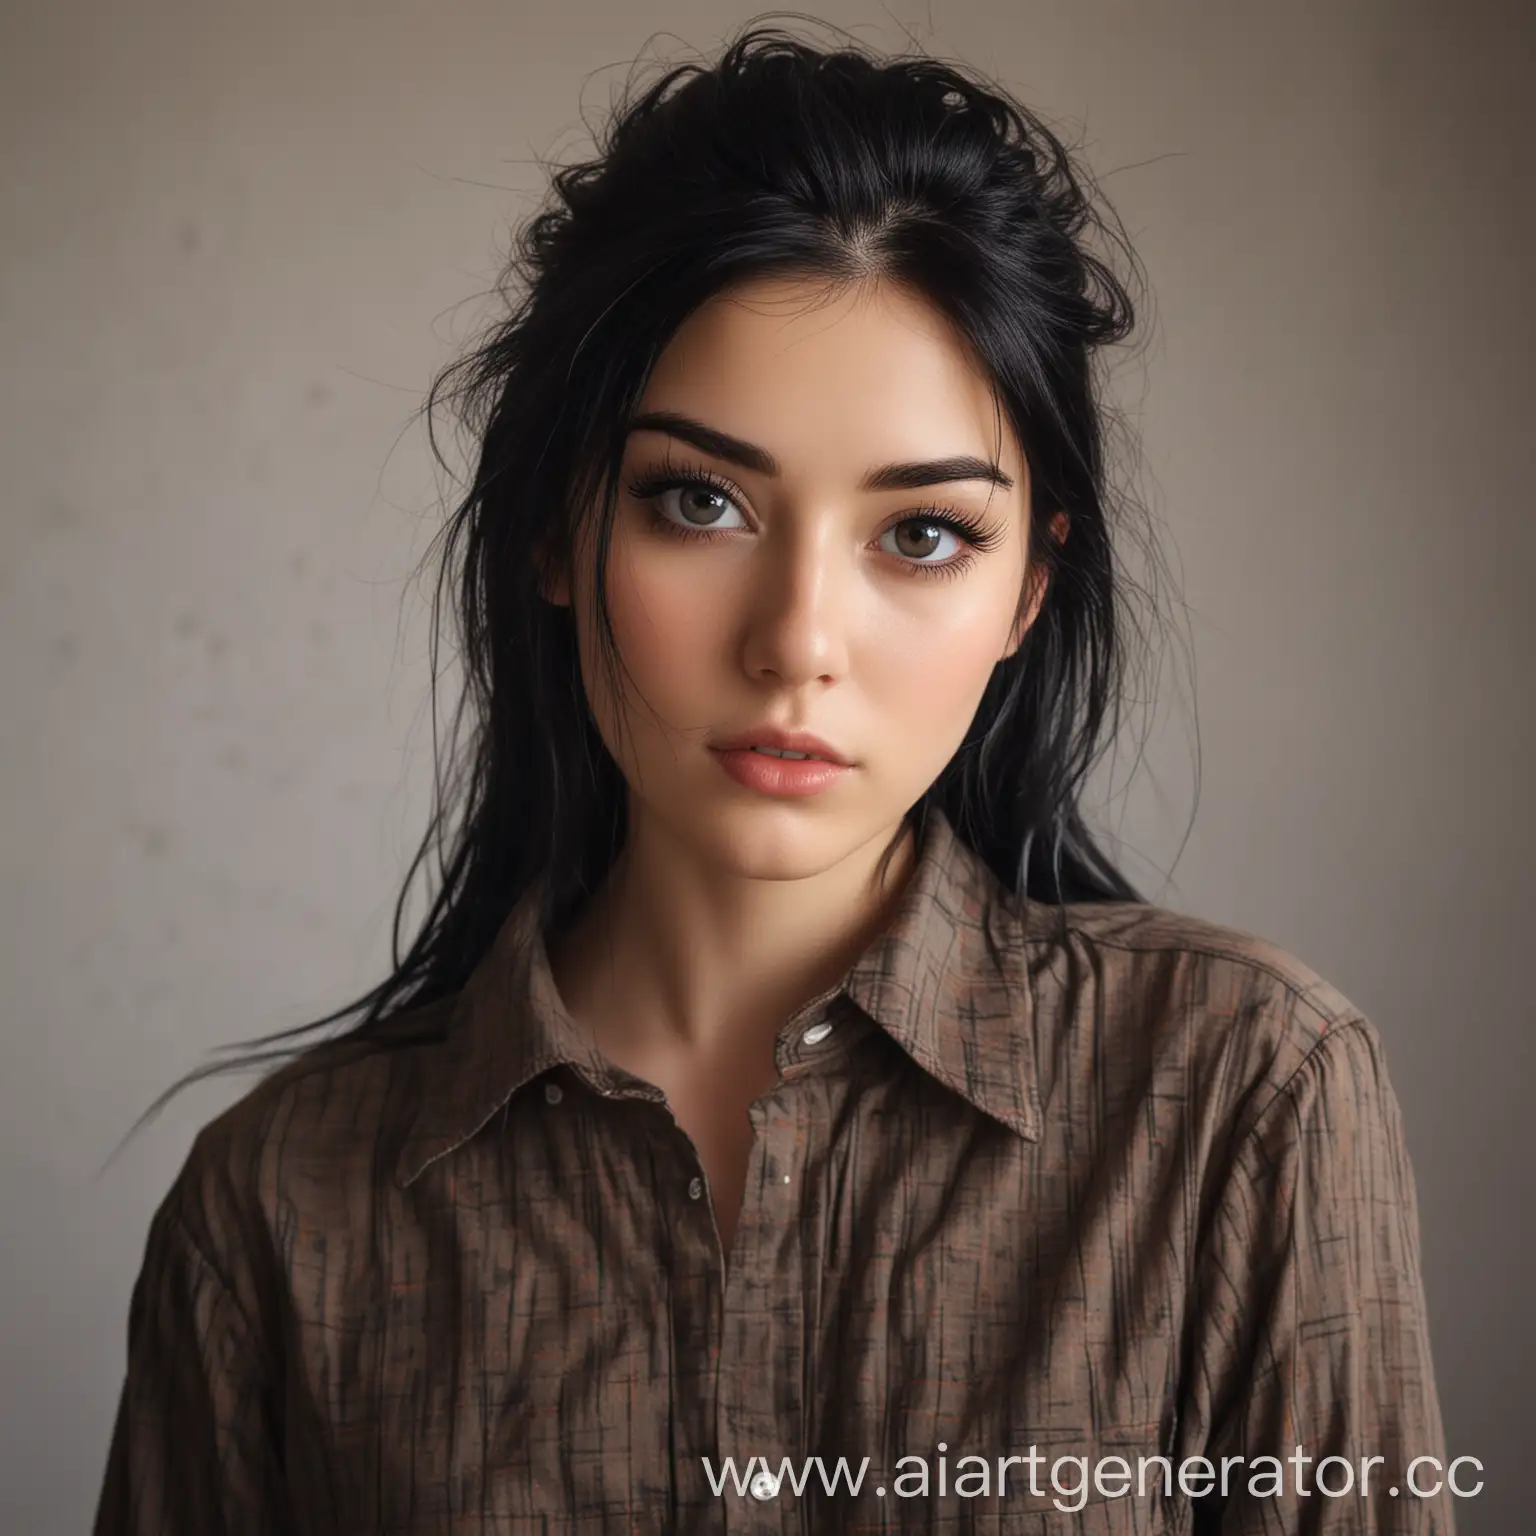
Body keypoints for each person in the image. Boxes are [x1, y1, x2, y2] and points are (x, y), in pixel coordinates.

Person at [94, 23, 1456, 1535]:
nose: (798, 641)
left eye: (922, 532)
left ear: (1028, 592)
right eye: (700, 501)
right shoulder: (278, 1211)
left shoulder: (1242, 1102)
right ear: (559, 532)